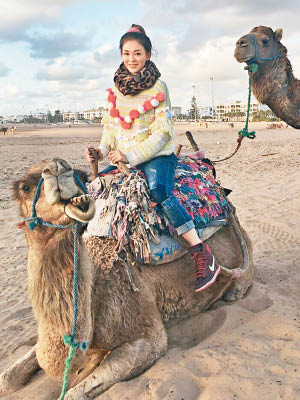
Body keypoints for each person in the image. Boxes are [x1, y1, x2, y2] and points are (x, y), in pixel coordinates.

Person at [86, 24, 221, 292]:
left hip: (157, 156)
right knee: (94, 192)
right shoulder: (114, 91)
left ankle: (201, 253)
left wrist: (130, 155)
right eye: (126, 53)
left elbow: (162, 134)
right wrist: (100, 152)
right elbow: (110, 130)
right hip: (123, 157)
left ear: (148, 54)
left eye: (137, 53)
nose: (131, 59)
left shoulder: (159, 87)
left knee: (160, 191)